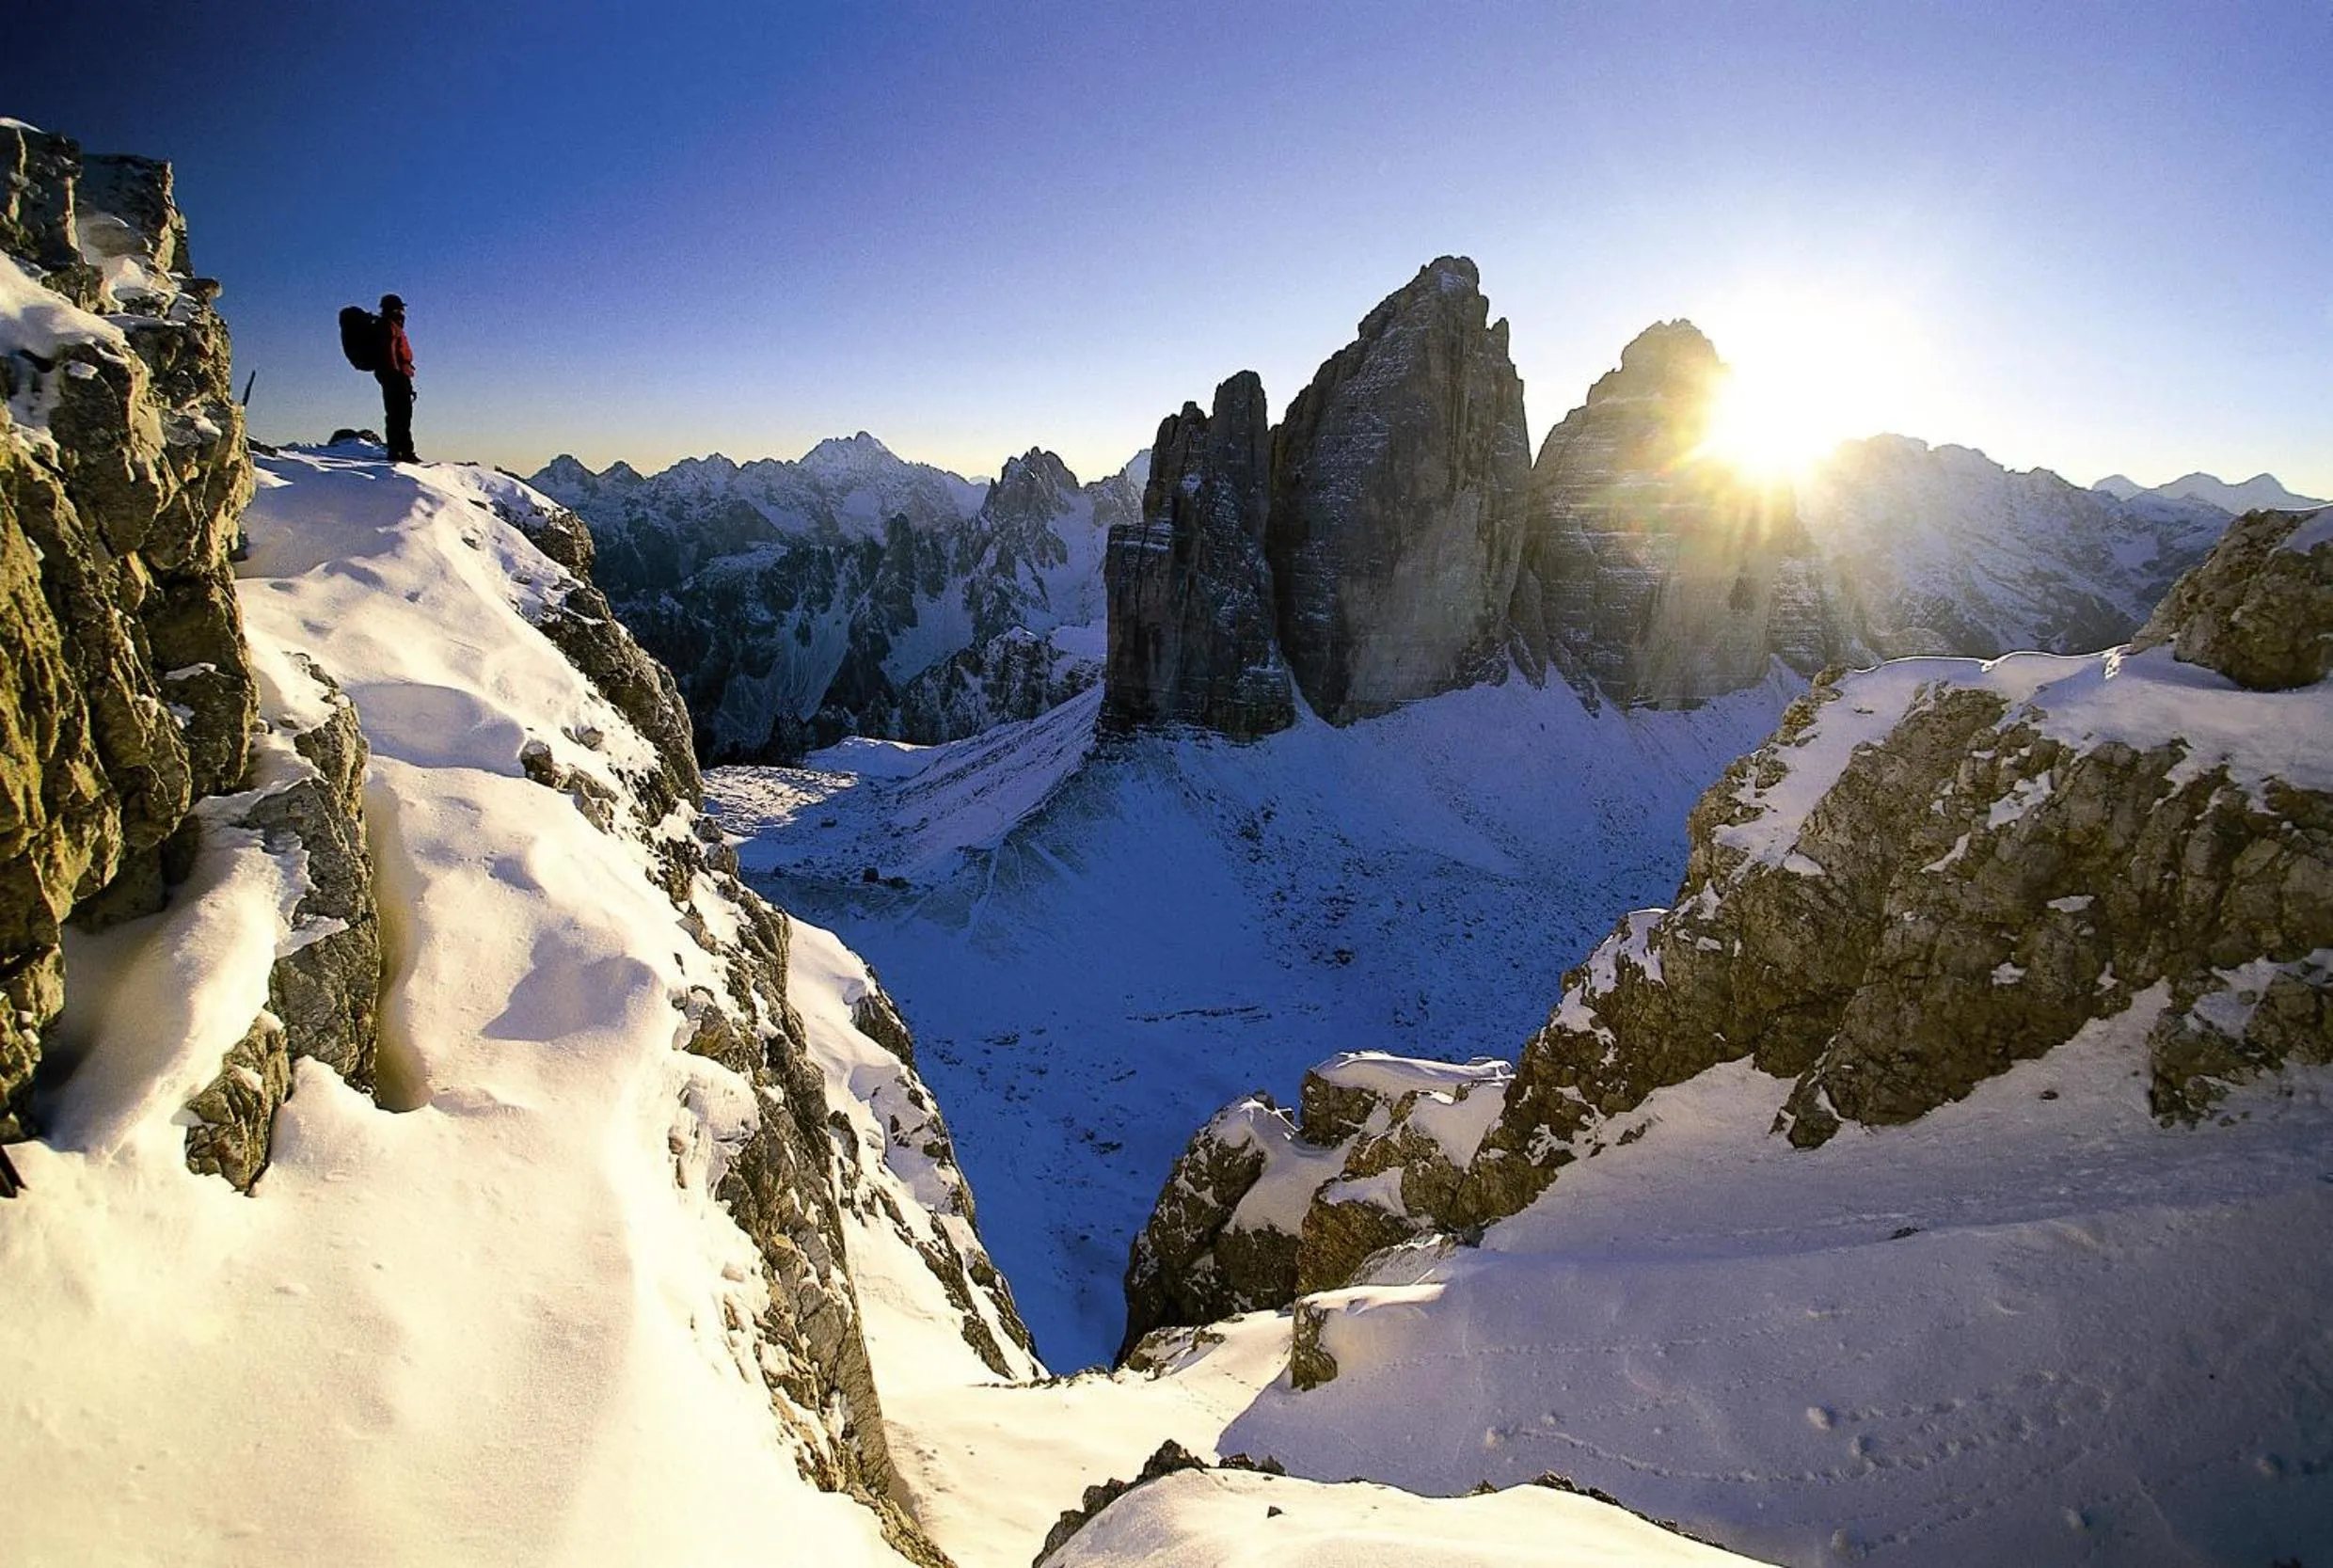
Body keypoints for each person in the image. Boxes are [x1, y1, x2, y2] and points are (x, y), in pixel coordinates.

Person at [376, 293, 420, 463]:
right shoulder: (388, 327)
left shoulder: (391, 326)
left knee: (399, 415)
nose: (403, 313)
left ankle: (402, 451)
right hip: (395, 376)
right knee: (399, 415)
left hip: (396, 375)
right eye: (401, 309)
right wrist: (397, 376)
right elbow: (390, 353)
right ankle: (401, 452)